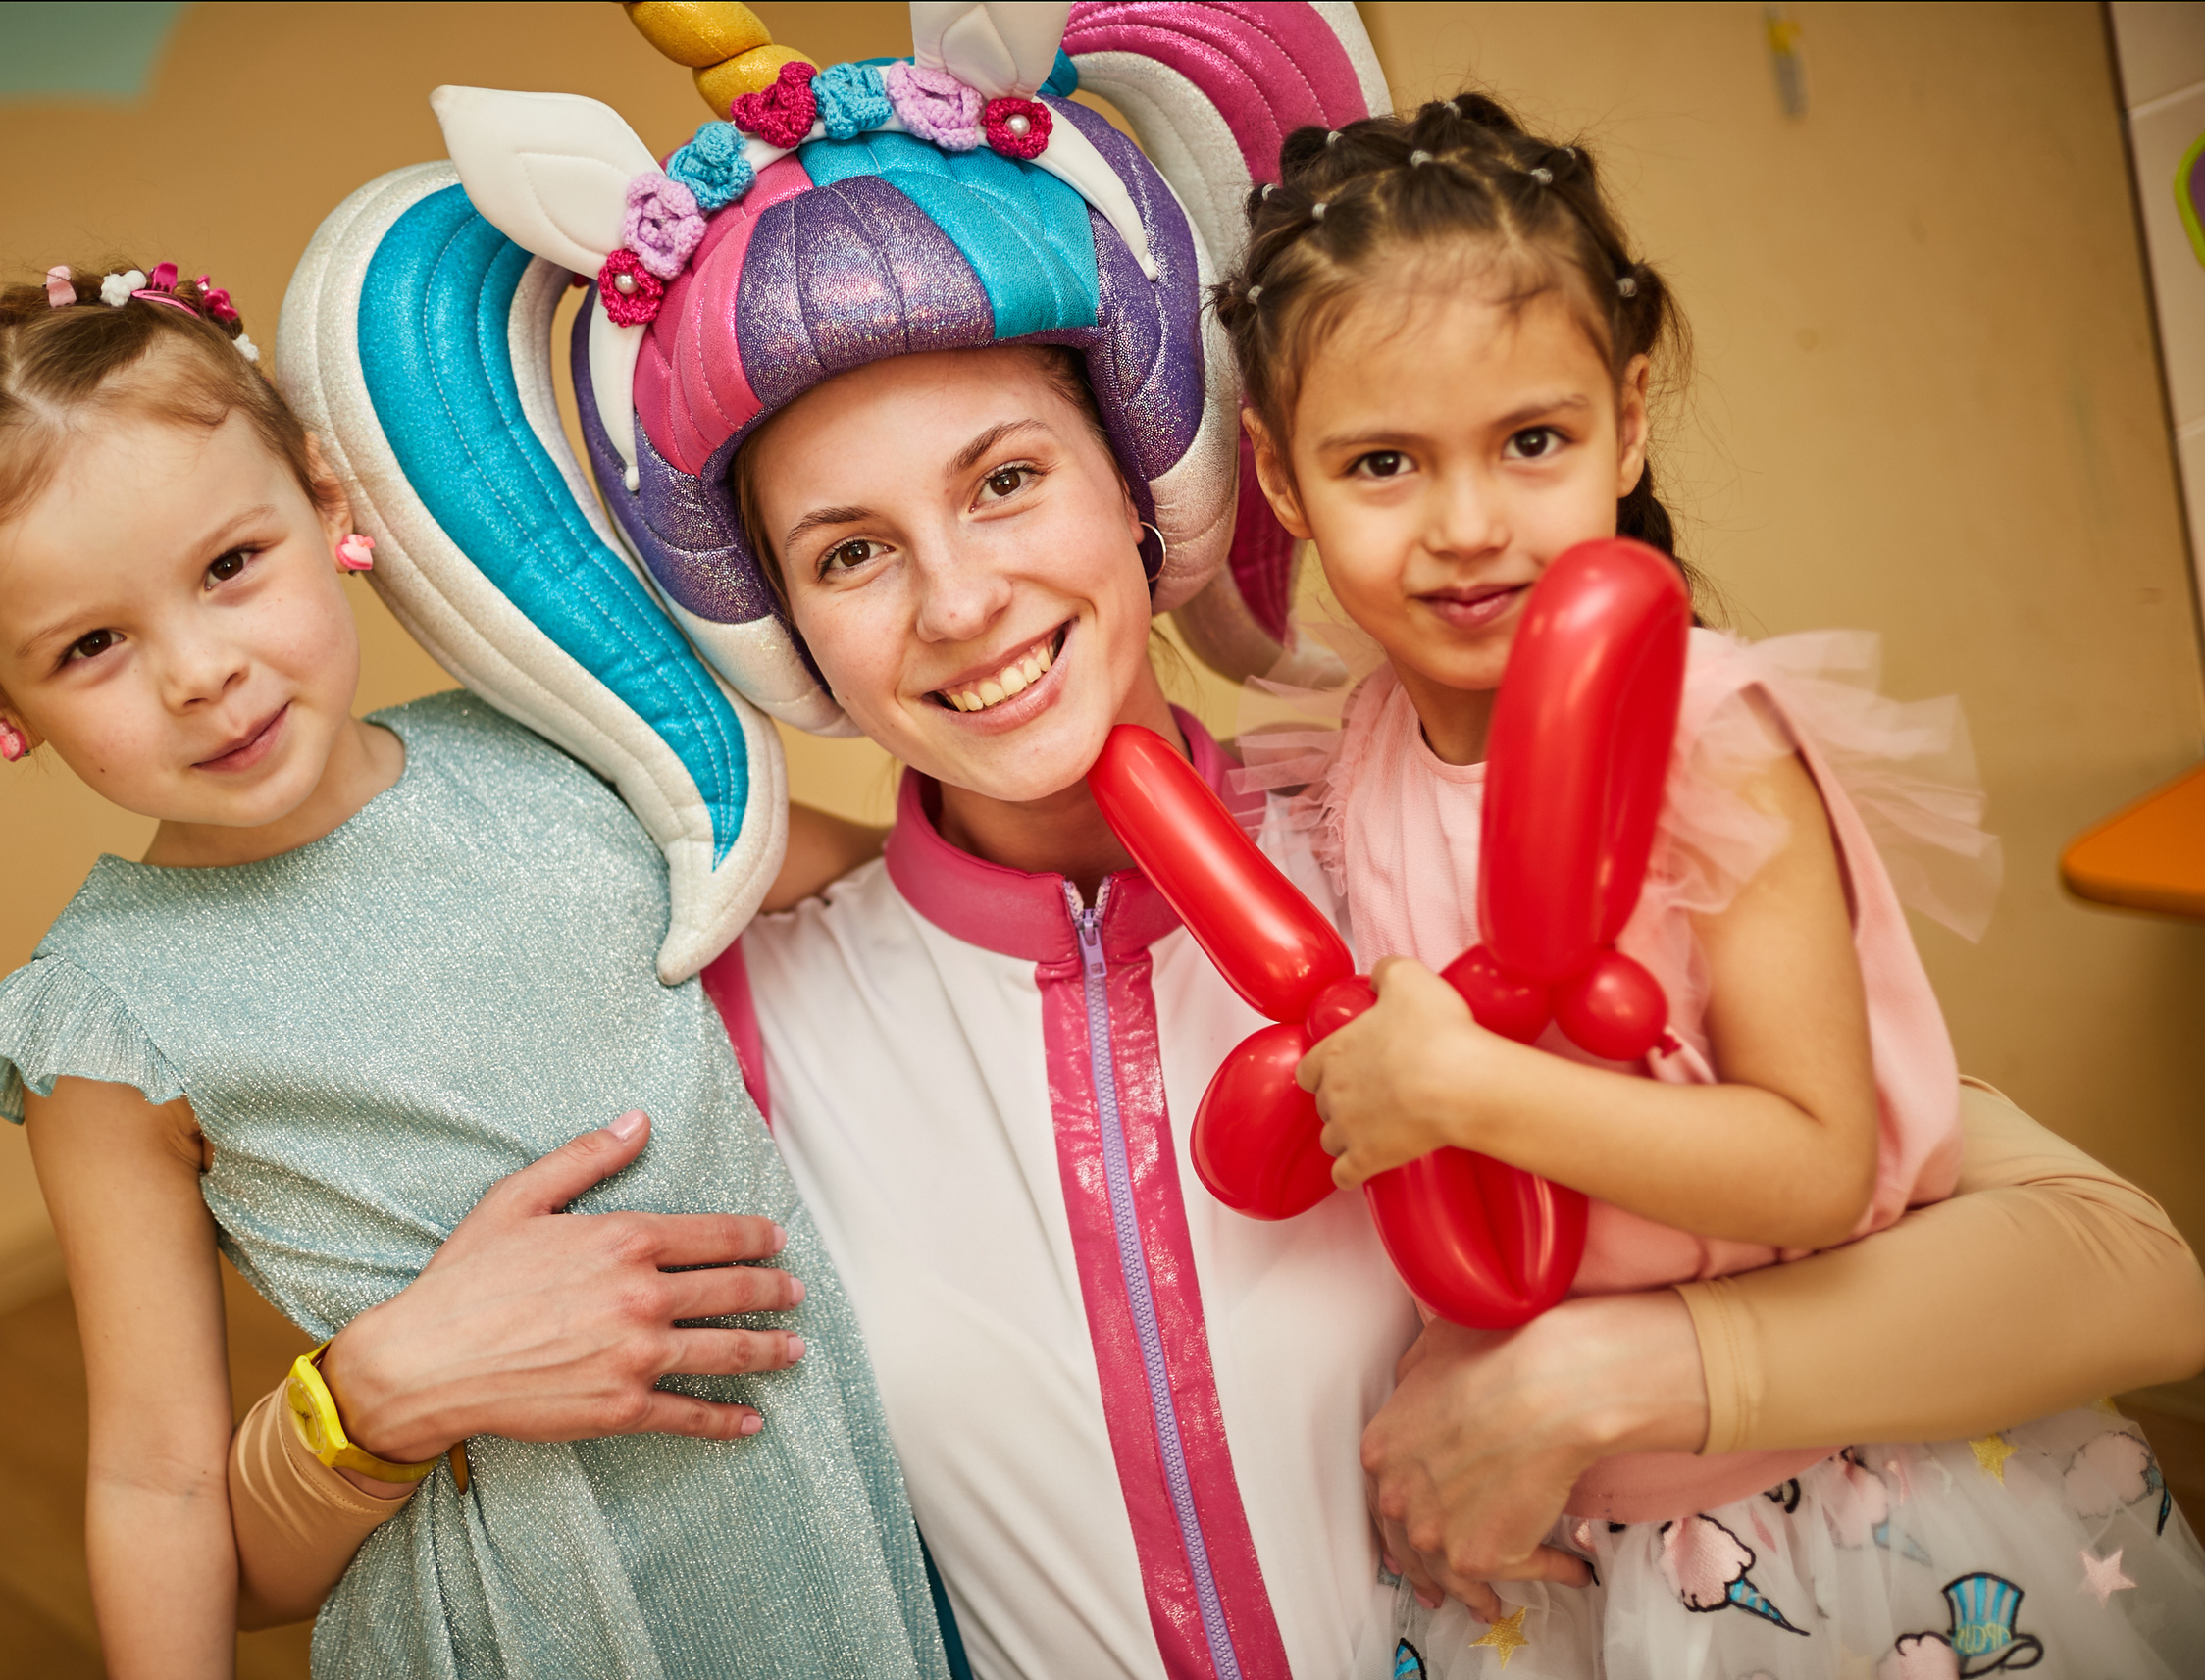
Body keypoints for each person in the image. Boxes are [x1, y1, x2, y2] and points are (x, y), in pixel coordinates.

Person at [231, 13, 2205, 1680]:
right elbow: (269, 1567)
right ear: (779, 621)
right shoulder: (746, 1018)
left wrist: (1594, 1380)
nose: (958, 603)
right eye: (848, 552)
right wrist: (358, 1402)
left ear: (1155, 478)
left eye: (1007, 480)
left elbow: (2121, 1270)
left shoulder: (1422, 815)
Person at [1219, 94, 2205, 1675]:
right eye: (1383, 463)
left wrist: (1459, 1088)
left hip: (1830, 1510)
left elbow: (1816, 1165)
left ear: (1628, 417)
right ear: (1280, 478)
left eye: (1531, 442)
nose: (1469, 528)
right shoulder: (1361, 750)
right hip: (1579, 1541)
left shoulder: (1706, 733)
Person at [0, 260, 949, 1679]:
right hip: (520, 1606)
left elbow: (889, 884)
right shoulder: (108, 1019)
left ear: (326, 503)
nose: (198, 670)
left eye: (229, 566)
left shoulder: (567, 743)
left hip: (825, 1495)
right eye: (91, 645)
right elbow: (159, 1481)